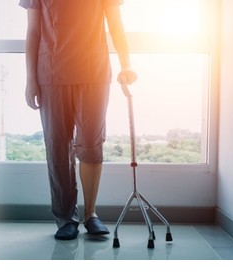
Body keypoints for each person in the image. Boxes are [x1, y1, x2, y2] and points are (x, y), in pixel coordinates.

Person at [20, 0, 137, 240]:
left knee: (91, 144)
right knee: (57, 147)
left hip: (93, 73)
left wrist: (126, 65)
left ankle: (91, 214)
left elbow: (116, 25)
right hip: (51, 73)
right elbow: (33, 31)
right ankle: (65, 218)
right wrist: (31, 78)